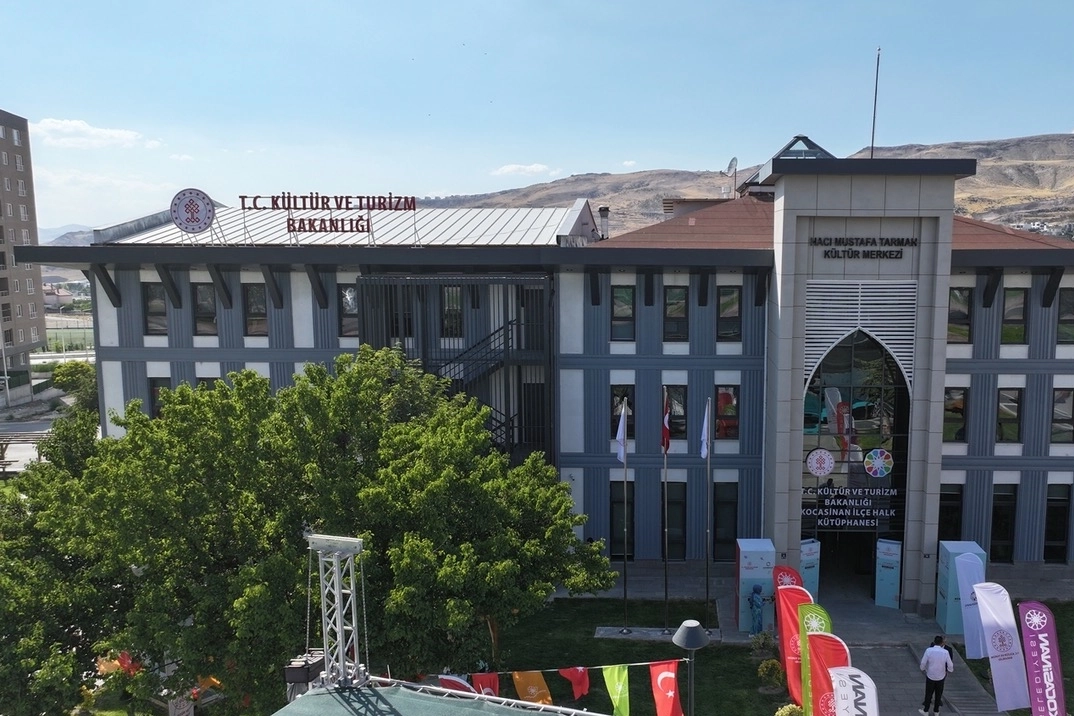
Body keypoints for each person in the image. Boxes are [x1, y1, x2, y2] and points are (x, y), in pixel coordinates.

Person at [919, 634, 954, 715]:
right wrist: (949, 670)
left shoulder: (929, 650)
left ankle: (926, 710)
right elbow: (950, 664)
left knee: (928, 693)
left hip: (930, 675)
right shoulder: (945, 652)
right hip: (941, 676)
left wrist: (922, 668)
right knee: (938, 694)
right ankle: (936, 711)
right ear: (942, 643)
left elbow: (923, 662)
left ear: (934, 642)